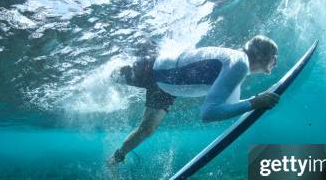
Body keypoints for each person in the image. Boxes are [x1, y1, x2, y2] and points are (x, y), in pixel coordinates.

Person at [109, 35, 280, 165]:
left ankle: (115, 158)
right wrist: (255, 103)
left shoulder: (238, 64)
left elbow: (230, 107)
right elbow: (208, 113)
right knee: (111, 76)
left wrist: (253, 101)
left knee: (146, 129)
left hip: (167, 86)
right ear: (264, 56)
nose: (276, 62)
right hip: (154, 70)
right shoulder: (239, 63)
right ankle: (94, 78)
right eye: (275, 57)